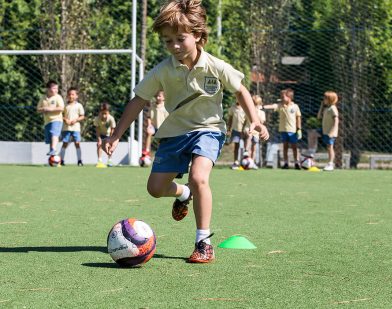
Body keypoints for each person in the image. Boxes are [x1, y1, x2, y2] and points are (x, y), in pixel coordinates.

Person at [102, 0, 269, 263]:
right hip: (175, 133)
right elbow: (138, 100)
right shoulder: (162, 70)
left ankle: (203, 242)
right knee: (155, 189)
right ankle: (184, 193)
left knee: (199, 177)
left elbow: (240, 90)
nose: (174, 46)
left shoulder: (216, 66)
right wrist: (116, 134)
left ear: (198, 36)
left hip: (209, 130)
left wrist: (255, 120)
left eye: (180, 39)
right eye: (168, 41)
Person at [263, 88, 302, 169]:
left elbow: (298, 117)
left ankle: (296, 162)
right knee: (285, 147)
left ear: (289, 97)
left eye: (283, 96)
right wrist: (263, 107)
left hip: (293, 131)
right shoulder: (280, 106)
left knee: (294, 147)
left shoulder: (295, 106)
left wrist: (299, 129)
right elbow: (273, 106)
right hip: (283, 130)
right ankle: (286, 163)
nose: (281, 98)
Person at [36, 80, 65, 157]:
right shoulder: (43, 98)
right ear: (48, 89)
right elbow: (38, 109)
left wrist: (50, 109)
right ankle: (52, 158)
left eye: (57, 88)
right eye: (54, 88)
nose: (56, 90)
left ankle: (53, 149)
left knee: (54, 134)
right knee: (50, 139)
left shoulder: (58, 97)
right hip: (47, 122)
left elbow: (61, 108)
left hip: (56, 120)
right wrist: (43, 109)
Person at [59, 87, 85, 166]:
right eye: (69, 94)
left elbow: (82, 116)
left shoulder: (79, 105)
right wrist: (65, 119)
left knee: (77, 143)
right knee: (65, 143)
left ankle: (79, 161)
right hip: (66, 128)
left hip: (75, 128)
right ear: (67, 95)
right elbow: (60, 115)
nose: (71, 96)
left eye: (73, 94)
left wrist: (76, 120)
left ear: (76, 96)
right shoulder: (65, 105)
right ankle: (61, 160)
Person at [142, 90, 169, 159]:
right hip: (153, 127)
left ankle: (161, 154)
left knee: (161, 141)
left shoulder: (166, 106)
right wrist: (149, 125)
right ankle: (147, 150)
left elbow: (167, 118)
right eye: (156, 96)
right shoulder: (153, 106)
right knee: (149, 133)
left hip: (162, 128)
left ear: (164, 98)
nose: (157, 97)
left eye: (159, 96)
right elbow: (149, 117)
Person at [317, 91, 339, 171]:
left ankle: (330, 164)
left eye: (325, 98)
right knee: (328, 147)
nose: (324, 100)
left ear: (330, 99)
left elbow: (336, 120)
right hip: (325, 131)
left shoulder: (333, 108)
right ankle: (329, 163)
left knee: (330, 147)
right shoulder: (327, 108)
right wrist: (321, 106)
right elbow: (319, 116)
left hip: (330, 132)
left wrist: (332, 131)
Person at [243, 94, 266, 167]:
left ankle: (252, 162)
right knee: (249, 136)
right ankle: (246, 151)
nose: (255, 106)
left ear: (259, 104)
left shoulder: (261, 113)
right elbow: (245, 121)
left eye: (256, 104)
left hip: (256, 132)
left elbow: (262, 122)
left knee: (254, 147)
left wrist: (257, 115)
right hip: (248, 129)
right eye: (253, 104)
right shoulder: (248, 111)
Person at [94, 102, 116, 167]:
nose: (104, 116)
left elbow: (112, 129)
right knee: (99, 145)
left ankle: (109, 160)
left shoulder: (111, 119)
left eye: (105, 113)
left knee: (110, 145)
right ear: (100, 112)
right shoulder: (97, 119)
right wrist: (99, 139)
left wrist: (111, 139)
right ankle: (99, 160)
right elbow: (97, 130)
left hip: (109, 134)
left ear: (108, 112)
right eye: (102, 113)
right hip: (101, 134)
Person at [227, 101, 246, 169]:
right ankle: (236, 162)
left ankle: (244, 162)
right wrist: (229, 129)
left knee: (245, 147)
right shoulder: (233, 108)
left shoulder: (245, 107)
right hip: (235, 130)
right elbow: (230, 119)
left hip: (244, 130)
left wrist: (244, 128)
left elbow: (246, 119)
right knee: (236, 146)